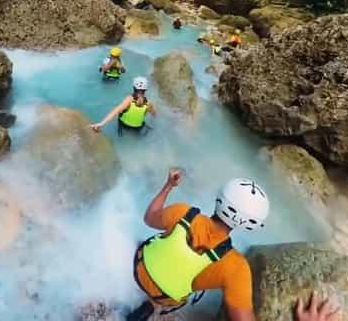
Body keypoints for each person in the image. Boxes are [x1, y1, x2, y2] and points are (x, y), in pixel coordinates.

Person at [127, 169, 270, 321]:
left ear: (220, 198)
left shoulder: (183, 212)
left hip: (138, 266)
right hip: (164, 296)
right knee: (174, 293)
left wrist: (168, 186)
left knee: (143, 242)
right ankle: (151, 306)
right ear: (249, 225)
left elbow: (149, 218)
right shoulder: (236, 267)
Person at [90, 76, 155, 136]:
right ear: (145, 90)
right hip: (137, 127)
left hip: (124, 126)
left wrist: (101, 123)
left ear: (134, 87)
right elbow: (154, 114)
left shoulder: (129, 100)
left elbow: (115, 112)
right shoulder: (149, 103)